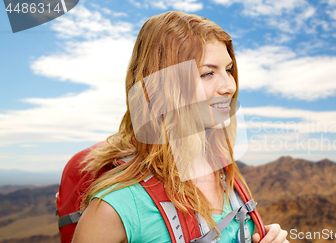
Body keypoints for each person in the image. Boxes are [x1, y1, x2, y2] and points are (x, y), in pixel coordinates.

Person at [72, 11, 288, 243]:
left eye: (227, 69)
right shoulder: (116, 206)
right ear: (163, 86)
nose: (229, 86)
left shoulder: (226, 176)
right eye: (207, 73)